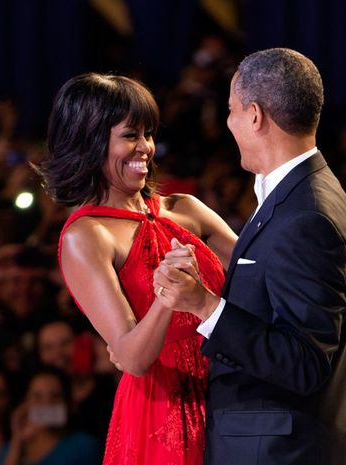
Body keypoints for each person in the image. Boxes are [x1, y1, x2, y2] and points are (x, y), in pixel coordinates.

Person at [154, 48, 346, 465]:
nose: (229, 123)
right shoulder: (307, 196)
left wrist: (204, 305)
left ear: (255, 116)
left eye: (232, 110)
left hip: (282, 454)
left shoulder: (307, 215)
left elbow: (306, 363)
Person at [40, 73, 237, 464]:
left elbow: (264, 272)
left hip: (231, 396)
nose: (146, 147)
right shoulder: (86, 236)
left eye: (148, 134)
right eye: (131, 135)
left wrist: (326, 246)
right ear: (91, 140)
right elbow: (131, 356)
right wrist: (169, 295)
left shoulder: (186, 209)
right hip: (163, 415)